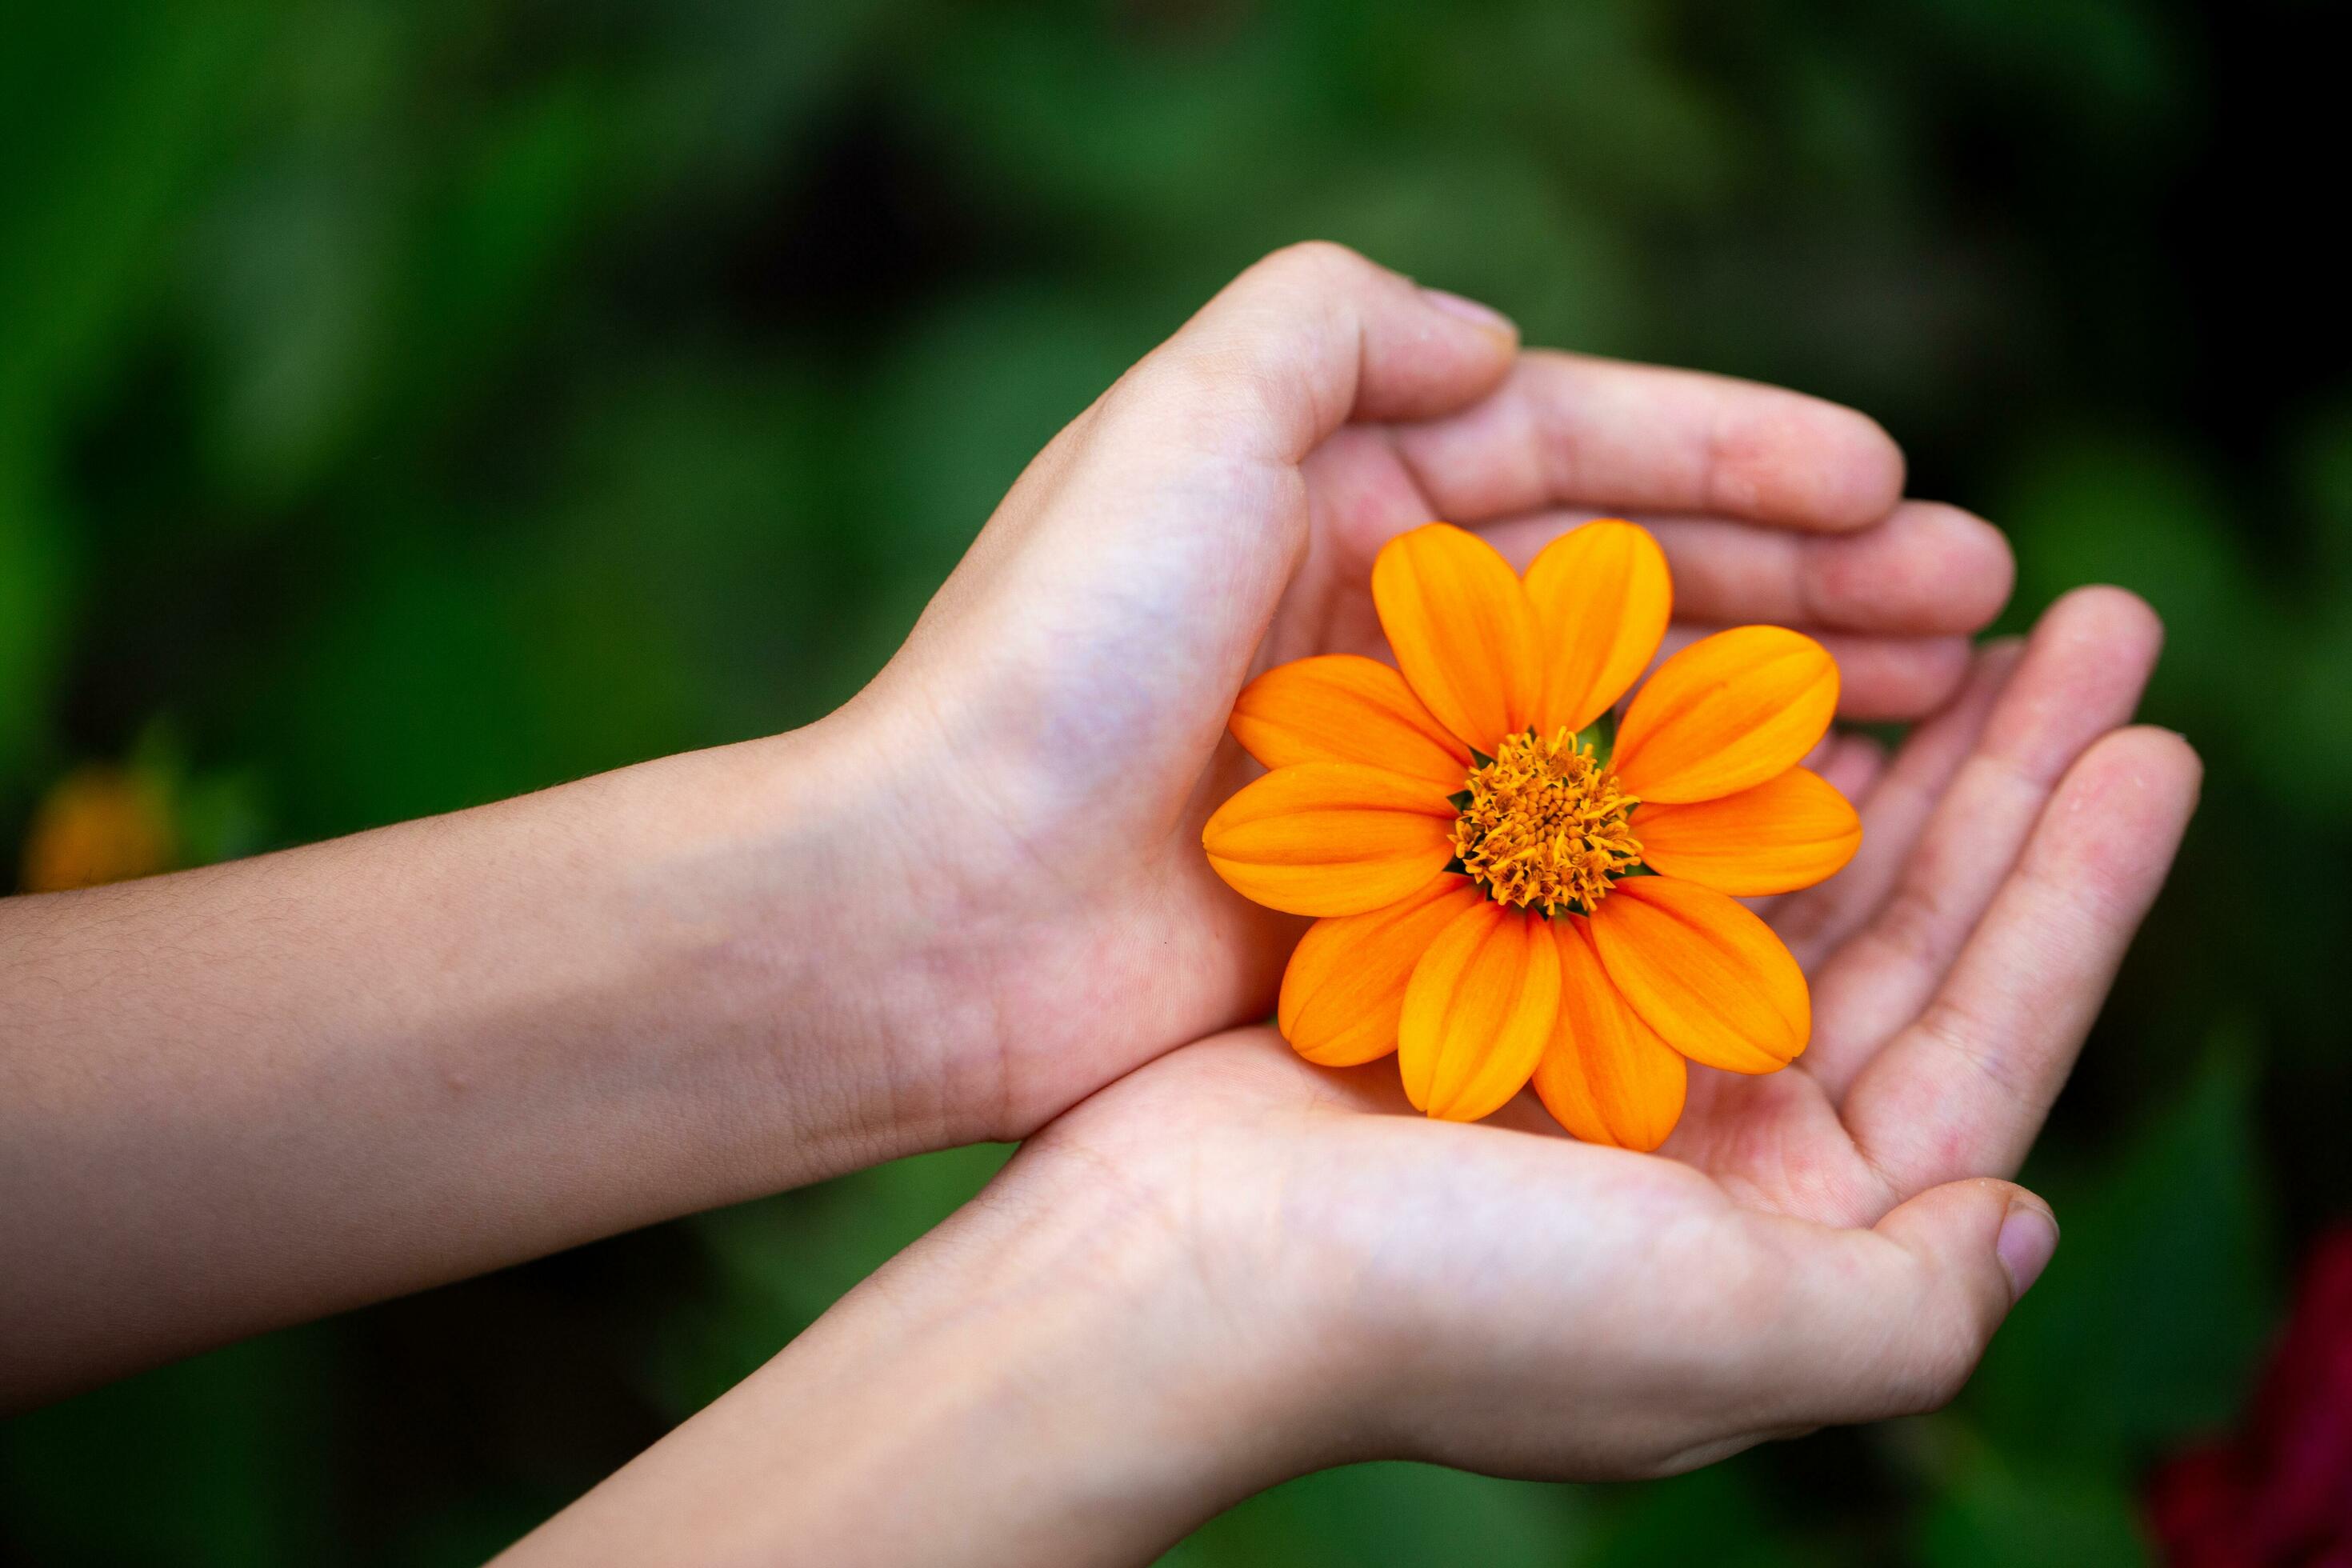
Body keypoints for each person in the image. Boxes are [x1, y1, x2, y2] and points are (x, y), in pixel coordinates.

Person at [0, 243, 2198, 1565]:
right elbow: (1334, 863)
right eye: (1547, 790)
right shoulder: (1414, 782)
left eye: (1572, 797)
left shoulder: (1658, 879)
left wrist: (1171, 1272)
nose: (1561, 804)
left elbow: (1741, 855)